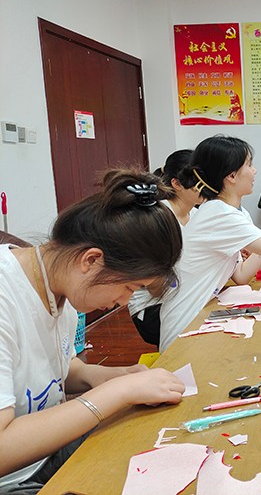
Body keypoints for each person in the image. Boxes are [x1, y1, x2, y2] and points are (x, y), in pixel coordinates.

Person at [0, 170, 186, 493]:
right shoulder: (6, 295)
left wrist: (115, 376)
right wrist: (119, 392)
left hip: (43, 456)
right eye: (130, 287)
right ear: (91, 260)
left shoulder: (61, 286)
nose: (124, 302)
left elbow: (56, 368)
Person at [157, 135, 261, 351]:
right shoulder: (220, 214)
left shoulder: (220, 211)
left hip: (197, 317)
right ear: (231, 176)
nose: (254, 171)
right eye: (249, 164)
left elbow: (240, 275)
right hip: (185, 325)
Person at [129, 149, 202, 345]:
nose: (205, 188)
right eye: (198, 182)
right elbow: (156, 286)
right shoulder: (158, 216)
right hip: (153, 307)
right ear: (176, 183)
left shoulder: (197, 215)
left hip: (181, 297)